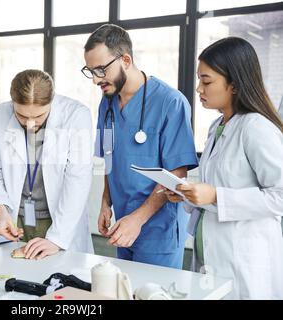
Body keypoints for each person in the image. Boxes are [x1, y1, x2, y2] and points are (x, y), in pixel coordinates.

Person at [165, 37, 283, 299]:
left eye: (206, 81)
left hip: (245, 261)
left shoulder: (257, 128)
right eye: (199, 80)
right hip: (211, 253)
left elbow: (280, 195)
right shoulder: (219, 126)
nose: (198, 88)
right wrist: (187, 193)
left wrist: (216, 195)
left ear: (235, 84)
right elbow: (221, 182)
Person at [83, 24, 198, 269]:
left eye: (101, 70)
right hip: (123, 225)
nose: (95, 80)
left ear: (125, 59)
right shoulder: (107, 103)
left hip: (157, 228)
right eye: (90, 71)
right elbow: (109, 156)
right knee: (125, 291)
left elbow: (177, 173)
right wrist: (106, 201)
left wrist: (138, 219)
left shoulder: (171, 102)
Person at [0, 69, 93, 260]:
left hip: (61, 219)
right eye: (22, 117)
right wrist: (2, 211)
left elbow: (78, 179)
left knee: (61, 280)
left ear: (52, 101)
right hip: (16, 219)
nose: (30, 124)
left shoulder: (76, 115)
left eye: (38, 116)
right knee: (15, 278)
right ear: (12, 102)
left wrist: (57, 238)